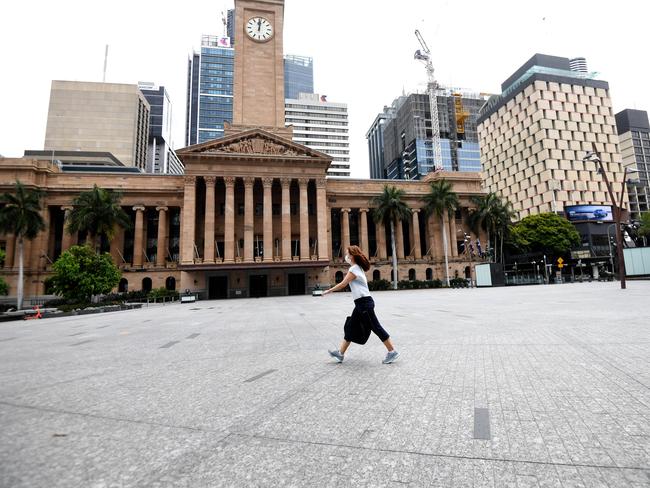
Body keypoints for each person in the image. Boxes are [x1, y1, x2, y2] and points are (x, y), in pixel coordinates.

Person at [322, 245, 399, 364]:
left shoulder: (354, 270)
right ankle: (340, 353)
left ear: (352, 256)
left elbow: (343, 284)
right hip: (360, 304)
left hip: (364, 304)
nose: (345, 256)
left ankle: (392, 351)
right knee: (351, 326)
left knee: (375, 326)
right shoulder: (357, 268)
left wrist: (328, 291)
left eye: (347, 254)